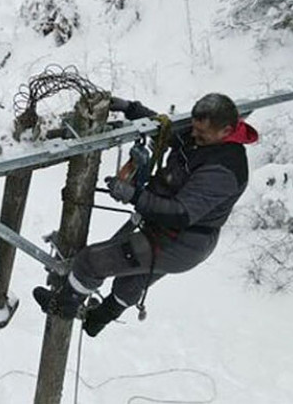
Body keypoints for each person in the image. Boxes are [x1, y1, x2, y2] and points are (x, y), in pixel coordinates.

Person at [34, 93, 258, 336]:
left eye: (201, 134)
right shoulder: (203, 138)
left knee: (91, 262)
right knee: (131, 281)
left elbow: (181, 214)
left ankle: (62, 306)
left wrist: (134, 196)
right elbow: (165, 130)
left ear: (226, 131)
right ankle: (100, 318)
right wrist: (130, 108)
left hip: (178, 241)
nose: (193, 135)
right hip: (174, 234)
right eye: (194, 129)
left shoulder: (224, 169)